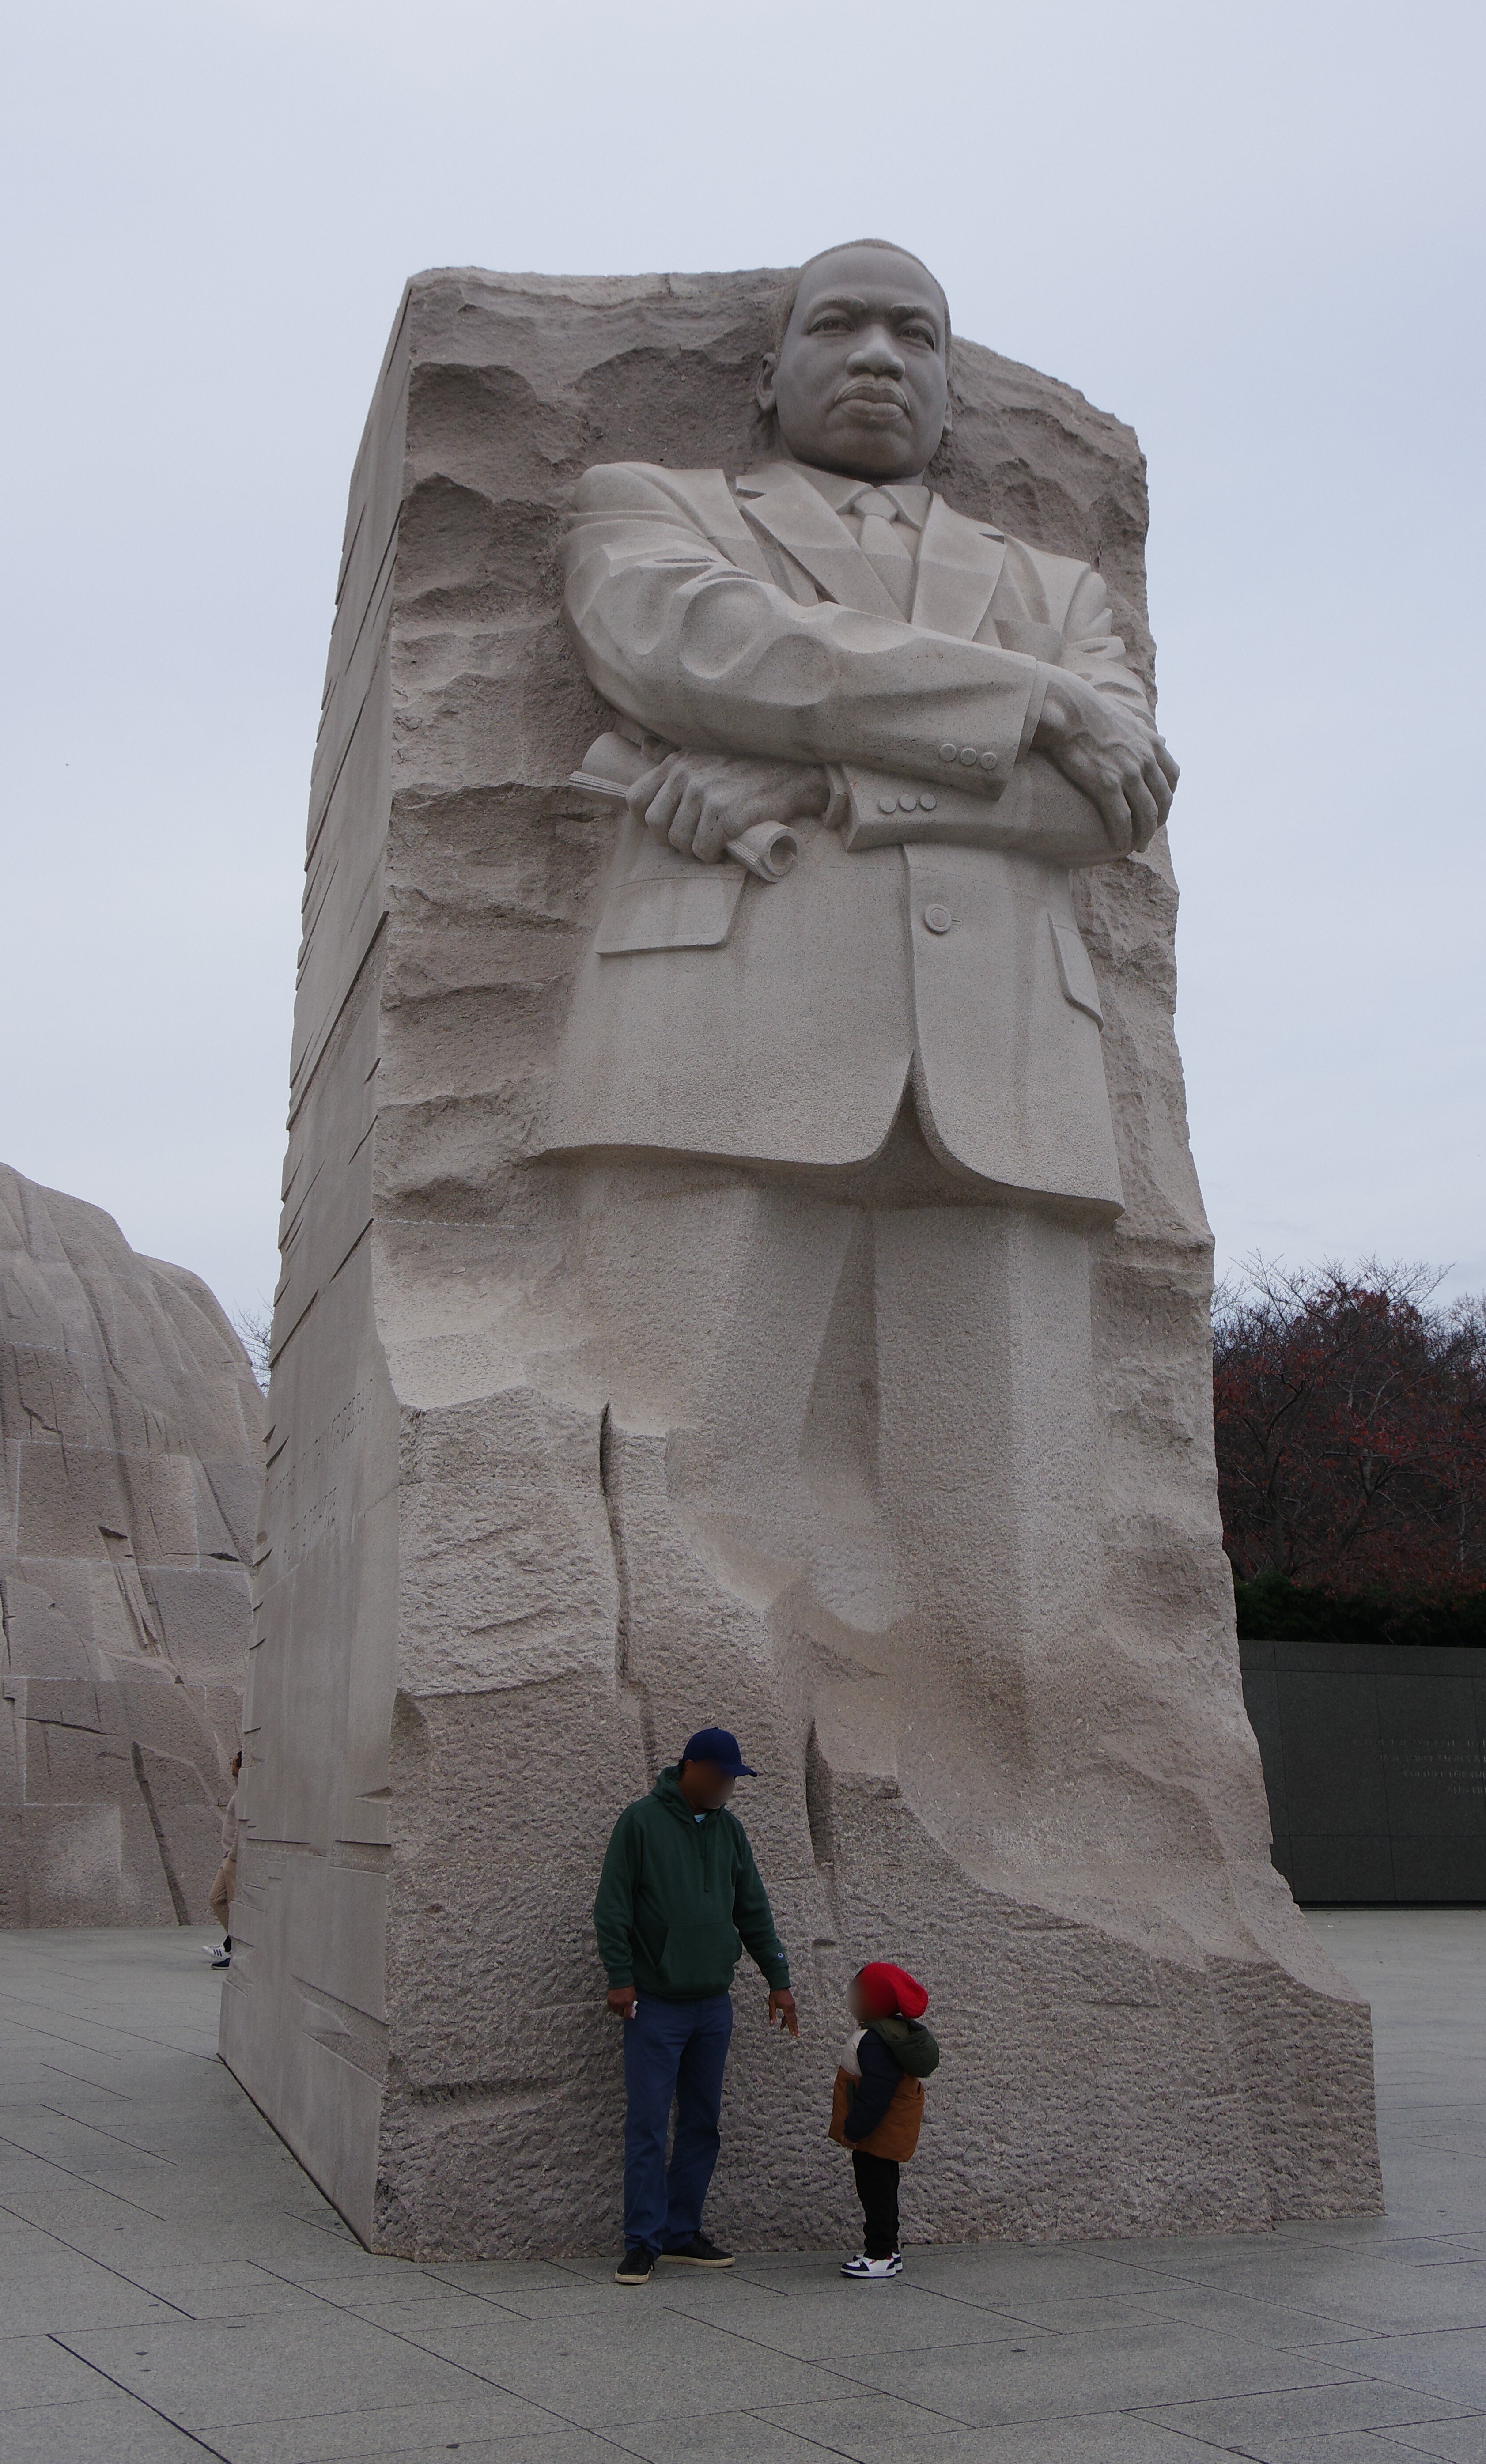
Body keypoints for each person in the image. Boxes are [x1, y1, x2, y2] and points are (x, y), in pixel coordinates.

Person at [542, 239, 1182, 1859]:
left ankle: (1025, 1869)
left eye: (917, 332)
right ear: (767, 373)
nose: (881, 354)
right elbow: (693, 649)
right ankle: (704, 1859)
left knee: (1019, 1543)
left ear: (953, 389)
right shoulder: (651, 507)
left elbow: (1103, 800)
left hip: (1007, 1077)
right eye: (839, 324)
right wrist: (1027, 702)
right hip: (716, 1049)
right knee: (691, 1493)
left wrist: (821, 782)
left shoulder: (1061, 588)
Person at [593, 1727, 799, 2284]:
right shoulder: (640, 1822)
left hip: (713, 2004)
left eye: (734, 1778)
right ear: (691, 1768)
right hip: (655, 2005)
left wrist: (778, 1979)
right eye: (721, 1776)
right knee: (648, 2123)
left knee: (703, 2122)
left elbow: (753, 1909)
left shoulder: (730, 1830)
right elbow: (612, 1906)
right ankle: (642, 2241)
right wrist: (620, 1977)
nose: (728, 1786)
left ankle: (681, 2232)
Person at [829, 1959, 937, 2279]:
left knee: (875, 2192)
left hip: (875, 2133)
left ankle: (880, 2254)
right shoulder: (887, 2034)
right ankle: (890, 2250)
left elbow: (876, 2091)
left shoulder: (874, 2041)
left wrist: (854, 2129)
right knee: (885, 2189)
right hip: (883, 2132)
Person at [203, 1748, 241, 1968]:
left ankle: (238, 1949)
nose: (231, 1766)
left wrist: (232, 1857)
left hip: (233, 1859)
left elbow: (242, 1828)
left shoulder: (247, 1793)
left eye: (234, 1762)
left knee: (234, 1905)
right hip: (229, 1857)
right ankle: (234, 1944)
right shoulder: (241, 1791)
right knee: (217, 1899)